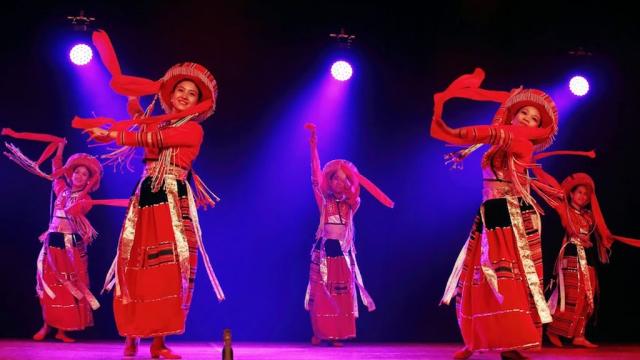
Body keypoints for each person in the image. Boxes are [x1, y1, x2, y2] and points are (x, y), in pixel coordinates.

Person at [79, 30, 224, 359]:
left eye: (191, 93)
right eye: (180, 90)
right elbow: (141, 125)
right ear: (170, 95)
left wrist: (112, 133)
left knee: (170, 268)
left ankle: (158, 342)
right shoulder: (156, 124)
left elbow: (148, 140)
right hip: (146, 196)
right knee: (135, 265)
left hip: (173, 197)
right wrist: (129, 97)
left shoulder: (192, 129)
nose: (185, 95)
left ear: (198, 102)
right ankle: (131, 337)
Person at [431, 68, 562, 359]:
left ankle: (514, 343)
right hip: (489, 214)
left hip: (510, 216)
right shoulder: (505, 136)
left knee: (508, 279)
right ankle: (476, 341)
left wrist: (451, 131)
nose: (528, 120)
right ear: (512, 116)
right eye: (523, 114)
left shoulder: (520, 141)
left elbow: (490, 132)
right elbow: (495, 130)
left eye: (534, 119)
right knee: (478, 279)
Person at [2, 128, 125, 342]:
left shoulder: (85, 201)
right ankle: (46, 325)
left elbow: (75, 211)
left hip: (71, 247)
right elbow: (56, 167)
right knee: (48, 284)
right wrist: (59, 147)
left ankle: (63, 330)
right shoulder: (61, 189)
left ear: (89, 180)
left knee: (69, 286)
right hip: (52, 242)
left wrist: (82, 196)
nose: (78, 176)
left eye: (84, 174)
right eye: (76, 172)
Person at [303, 123, 394, 346]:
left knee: (341, 296)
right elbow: (316, 176)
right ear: (330, 180)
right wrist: (314, 144)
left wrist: (353, 179)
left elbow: (357, 194)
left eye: (344, 179)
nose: (339, 182)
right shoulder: (324, 202)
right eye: (335, 178)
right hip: (324, 253)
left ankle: (337, 335)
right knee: (322, 295)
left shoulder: (351, 206)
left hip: (342, 256)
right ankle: (320, 332)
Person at [530, 170, 640, 348]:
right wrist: (536, 173)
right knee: (572, 295)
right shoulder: (564, 208)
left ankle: (579, 335)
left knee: (588, 296)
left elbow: (601, 233)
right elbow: (550, 188)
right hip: (571, 256)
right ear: (572, 194)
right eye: (579, 192)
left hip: (587, 258)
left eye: (586, 194)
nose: (583, 196)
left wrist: (606, 238)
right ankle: (552, 329)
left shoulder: (589, 216)